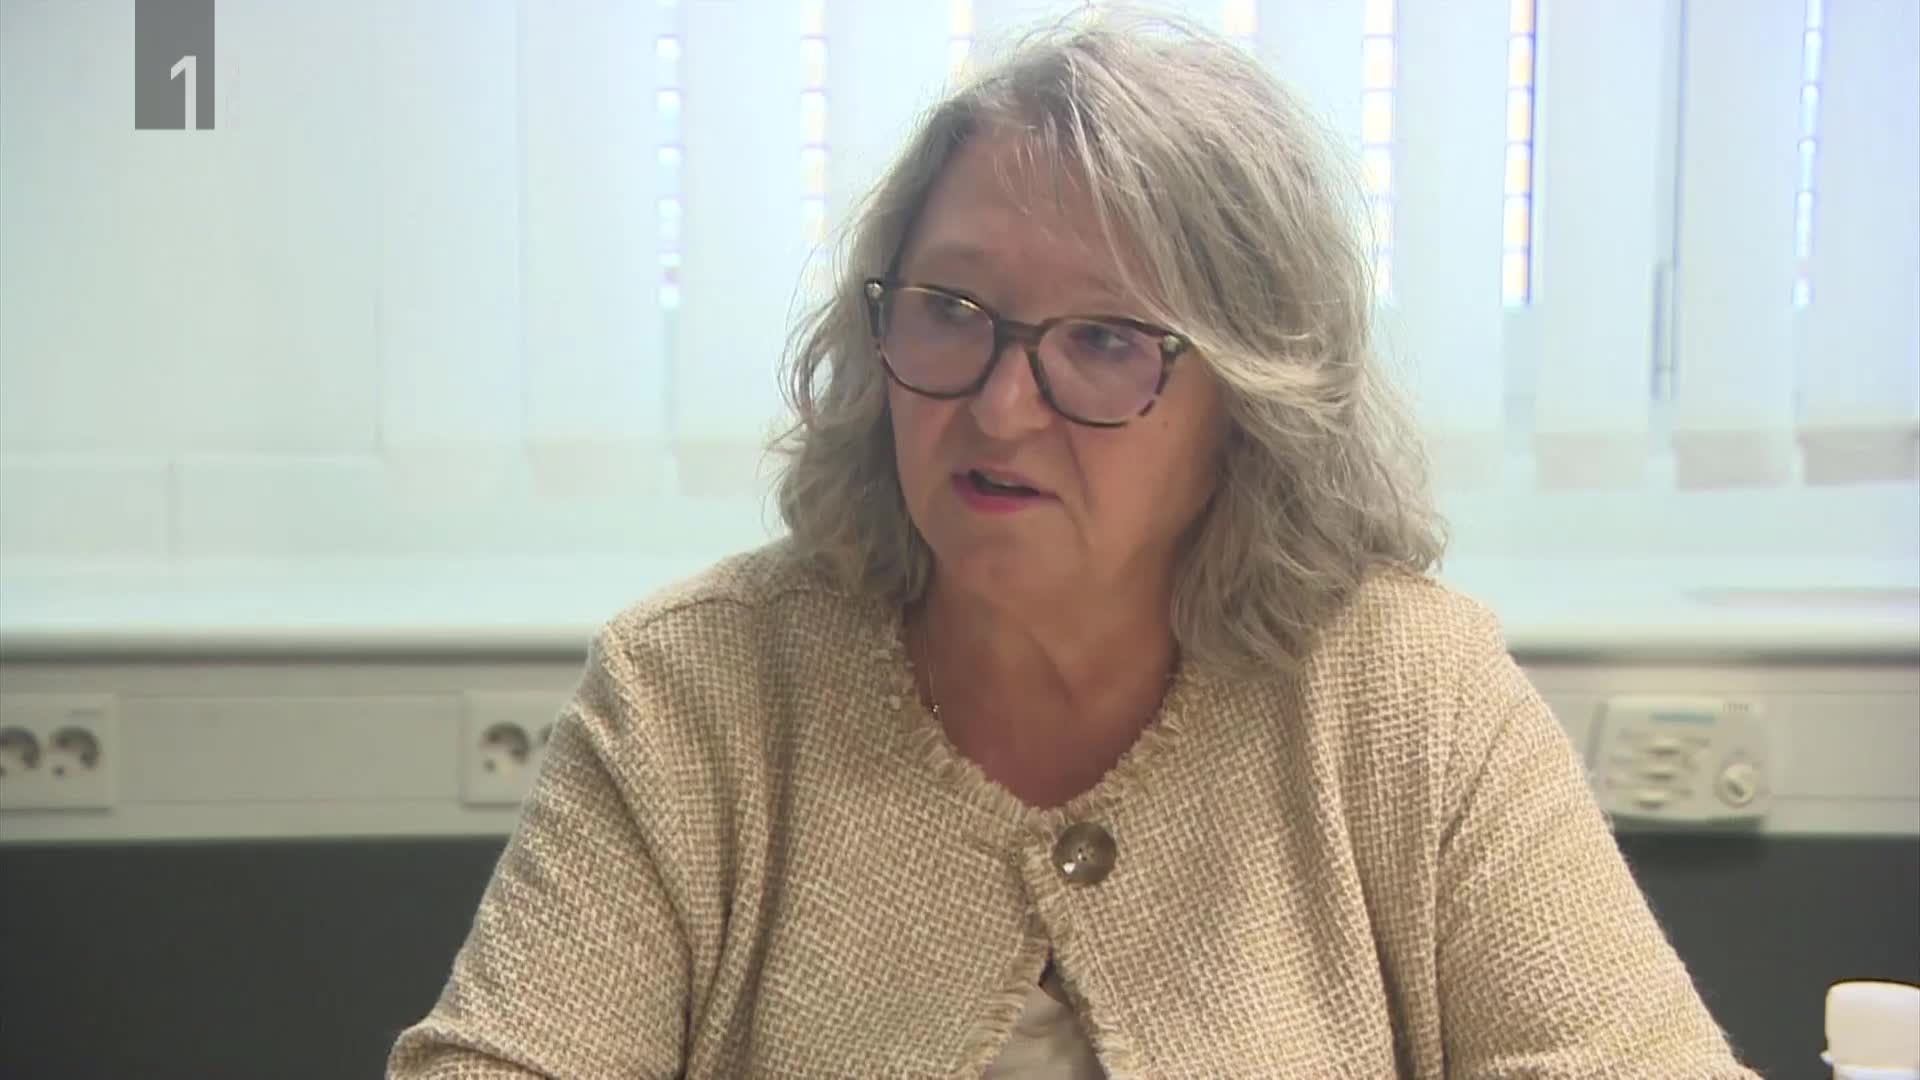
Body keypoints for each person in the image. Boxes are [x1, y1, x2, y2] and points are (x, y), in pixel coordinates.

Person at [390, 13, 1758, 1078]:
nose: (999, 407)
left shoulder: (1411, 696)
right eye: (951, 311)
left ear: (1252, 403)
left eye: (1103, 340)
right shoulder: (696, 693)